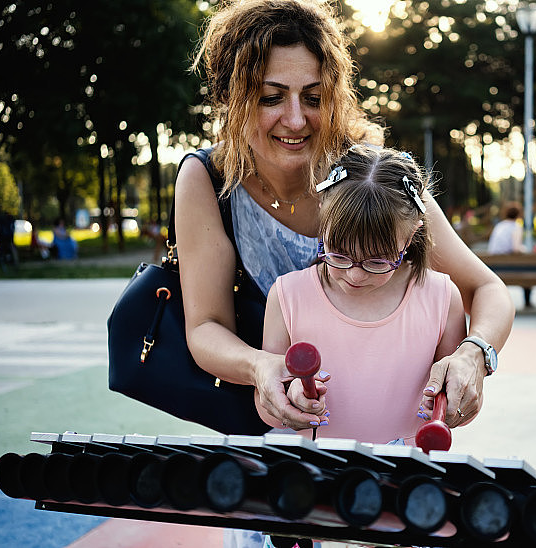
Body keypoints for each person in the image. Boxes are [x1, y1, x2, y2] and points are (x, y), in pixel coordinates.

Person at [174, 0, 512, 444]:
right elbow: (205, 327)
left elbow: (487, 289)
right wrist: (261, 366)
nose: (295, 119)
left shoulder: (367, 178)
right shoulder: (207, 179)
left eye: (313, 98)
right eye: (271, 97)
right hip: (266, 426)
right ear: (229, 98)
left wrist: (473, 353)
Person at [258, 145, 467, 446]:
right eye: (339, 255)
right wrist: (290, 399)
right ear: (322, 218)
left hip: (407, 477)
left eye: (377, 261)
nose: (355, 275)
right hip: (313, 474)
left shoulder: (442, 298)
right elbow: (266, 405)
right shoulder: (288, 295)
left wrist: (448, 406)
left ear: (411, 236)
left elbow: (461, 399)